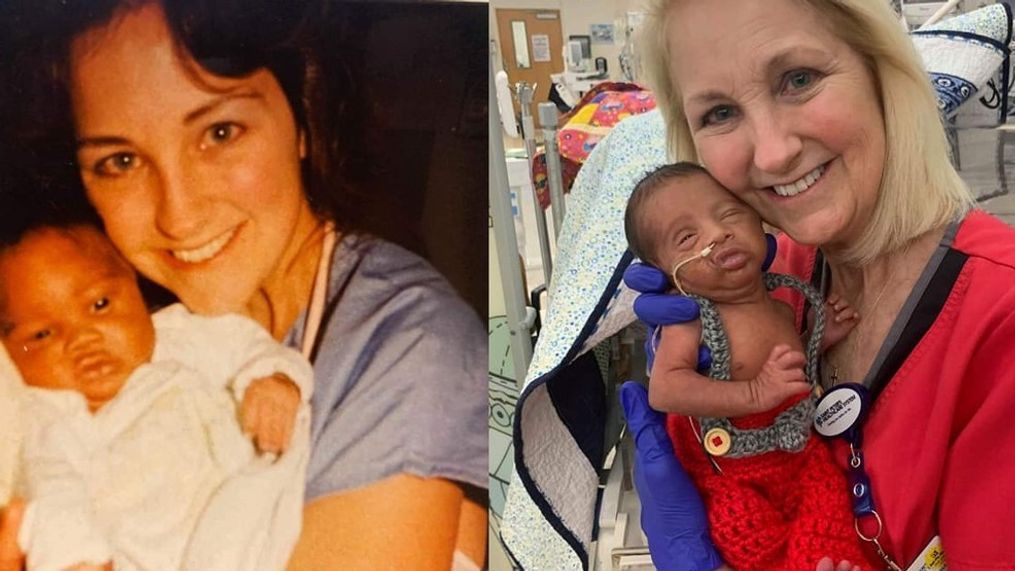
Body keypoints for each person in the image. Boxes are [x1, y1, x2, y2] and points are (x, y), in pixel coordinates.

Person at [0, 1, 487, 569]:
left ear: (304, 120)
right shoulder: (123, 311)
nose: (177, 217)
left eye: (220, 131)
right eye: (121, 160)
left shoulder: (406, 348)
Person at [621, 0, 1015, 568]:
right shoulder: (778, 274)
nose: (774, 152)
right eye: (720, 113)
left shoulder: (998, 323)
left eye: (799, 79)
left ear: (880, 71)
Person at [1, 220, 313, 571]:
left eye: (100, 304)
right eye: (42, 334)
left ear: (135, 287)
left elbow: (254, 349)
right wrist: (78, 558)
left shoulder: (183, 336)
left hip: (254, 518)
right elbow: (54, 489)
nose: (81, 339)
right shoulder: (51, 416)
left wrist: (275, 380)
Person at [625, 162, 870, 570]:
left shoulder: (779, 303)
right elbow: (666, 389)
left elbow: (791, 368)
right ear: (666, 276)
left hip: (799, 455)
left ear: (761, 222)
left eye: (730, 214)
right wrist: (753, 393)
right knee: (753, 542)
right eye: (687, 237)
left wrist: (819, 340)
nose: (717, 233)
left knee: (830, 515)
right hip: (732, 475)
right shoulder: (691, 318)